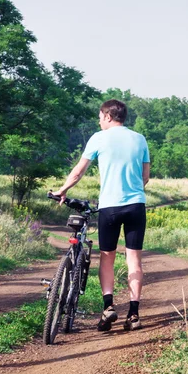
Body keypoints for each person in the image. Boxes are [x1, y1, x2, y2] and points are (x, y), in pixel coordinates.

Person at [51, 99, 150, 331]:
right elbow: (145, 177)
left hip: (110, 207)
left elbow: (78, 172)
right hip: (136, 205)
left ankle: (108, 307)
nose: (99, 120)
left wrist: (62, 190)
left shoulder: (98, 138)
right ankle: (134, 314)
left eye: (99, 116)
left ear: (107, 116)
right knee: (134, 258)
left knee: (107, 257)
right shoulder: (140, 139)